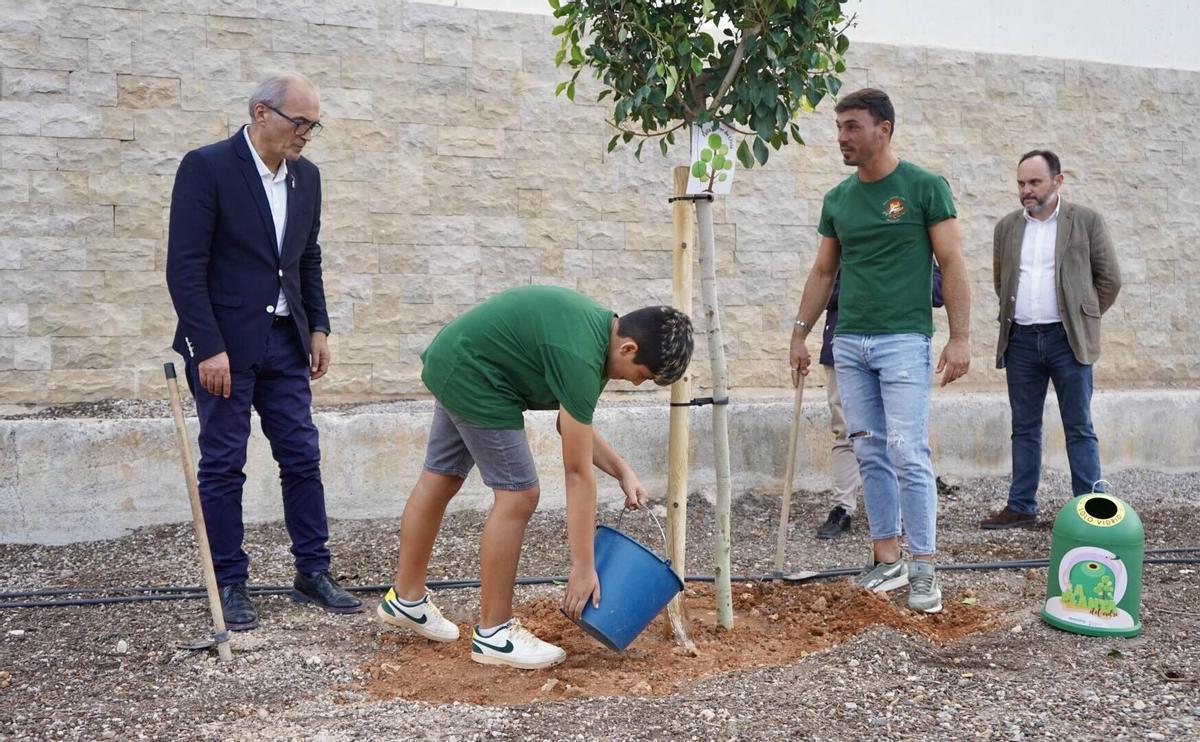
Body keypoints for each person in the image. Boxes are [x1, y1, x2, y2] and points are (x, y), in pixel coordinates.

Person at [376, 285, 693, 670]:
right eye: (641, 376)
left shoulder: (597, 336)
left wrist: (622, 470)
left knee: (441, 477)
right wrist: (583, 567)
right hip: (478, 375)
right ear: (629, 348)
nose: (636, 383)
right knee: (519, 494)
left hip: (456, 356)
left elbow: (569, 424)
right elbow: (577, 473)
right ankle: (495, 634)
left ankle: (406, 599)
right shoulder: (581, 357)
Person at [165, 73, 361, 631]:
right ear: (260, 113)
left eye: (314, 126)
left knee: (301, 455)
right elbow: (185, 267)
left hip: (285, 342)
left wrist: (318, 326)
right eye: (300, 123)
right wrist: (207, 347)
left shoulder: (307, 177)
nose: (307, 135)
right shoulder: (207, 167)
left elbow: (306, 257)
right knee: (224, 463)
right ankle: (230, 582)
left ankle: (312, 571)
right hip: (224, 348)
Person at [789, 88, 971, 614]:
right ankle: (888, 559)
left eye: (852, 126)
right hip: (849, 343)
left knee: (907, 451)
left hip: (904, 341)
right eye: (839, 127)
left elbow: (953, 263)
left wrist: (960, 336)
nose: (841, 137)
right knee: (867, 449)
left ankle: (924, 568)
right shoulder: (838, 200)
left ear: (883, 129)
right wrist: (800, 333)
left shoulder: (924, 187)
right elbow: (823, 271)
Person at [981, 150, 1121, 529]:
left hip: (1067, 340)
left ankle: (1090, 510)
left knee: (1079, 427)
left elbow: (1109, 279)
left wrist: (1082, 318)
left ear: (1058, 181)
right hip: (1021, 341)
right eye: (1021, 183)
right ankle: (1021, 506)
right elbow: (1001, 282)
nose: (1026, 190)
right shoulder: (1007, 227)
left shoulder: (1086, 221)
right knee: (1024, 427)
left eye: (1034, 182)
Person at [816, 267, 943, 540]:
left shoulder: (910, 247)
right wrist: (865, 285)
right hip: (846, 344)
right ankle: (842, 507)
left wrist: (893, 282)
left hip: (899, 347)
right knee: (847, 432)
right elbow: (823, 285)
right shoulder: (845, 245)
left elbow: (938, 290)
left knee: (901, 438)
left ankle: (903, 512)